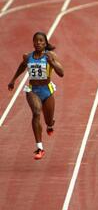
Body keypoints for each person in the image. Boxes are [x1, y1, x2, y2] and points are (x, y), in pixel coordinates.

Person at [8, 32, 64, 160]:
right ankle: (39, 148)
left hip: (47, 90)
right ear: (33, 43)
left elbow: (62, 73)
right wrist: (13, 80)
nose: (38, 43)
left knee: (48, 121)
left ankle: (50, 125)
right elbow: (22, 67)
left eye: (41, 41)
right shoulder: (28, 57)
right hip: (33, 90)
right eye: (36, 41)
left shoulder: (50, 55)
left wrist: (52, 63)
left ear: (45, 43)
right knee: (37, 112)